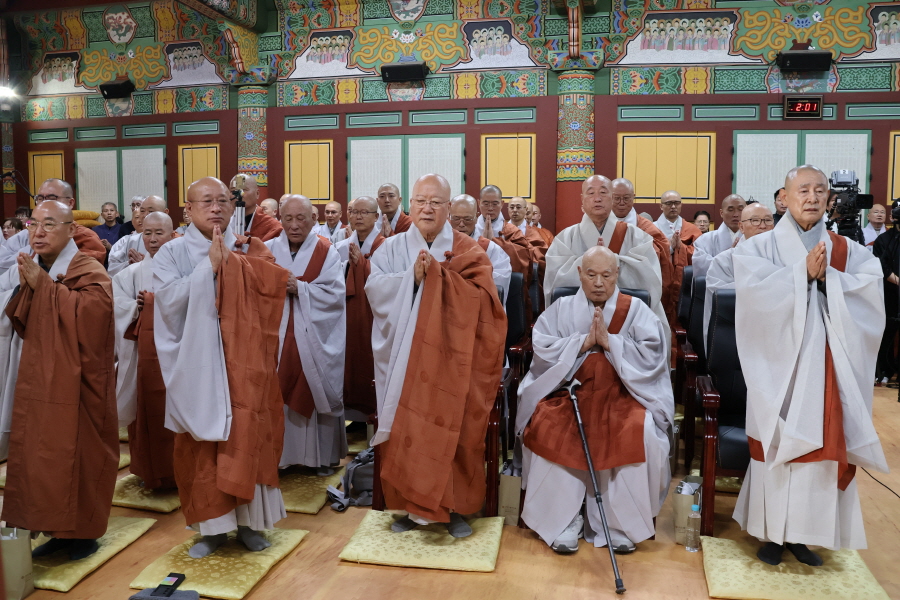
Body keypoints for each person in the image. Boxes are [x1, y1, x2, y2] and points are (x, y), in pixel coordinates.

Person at [732, 165, 888, 566]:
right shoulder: (757, 247)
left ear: (829, 199)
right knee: (778, 443)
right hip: (777, 365)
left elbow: (870, 295)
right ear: (784, 197)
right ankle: (771, 534)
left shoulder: (850, 251)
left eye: (820, 191)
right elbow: (753, 298)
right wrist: (800, 273)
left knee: (820, 446)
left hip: (828, 367)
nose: (813, 197)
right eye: (803, 190)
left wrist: (830, 280)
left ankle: (804, 536)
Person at [154, 177, 289, 559]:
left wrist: (249, 265)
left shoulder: (249, 247)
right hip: (197, 366)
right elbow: (166, 304)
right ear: (188, 210)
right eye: (206, 201)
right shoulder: (172, 253)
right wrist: (208, 270)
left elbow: (271, 298)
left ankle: (249, 524)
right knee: (201, 446)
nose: (215, 208)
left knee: (249, 436)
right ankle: (211, 529)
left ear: (233, 207)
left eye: (222, 201)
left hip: (245, 365)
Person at [366, 174, 506, 537]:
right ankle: (412, 508)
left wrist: (443, 280)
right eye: (421, 201)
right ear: (410, 206)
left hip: (454, 362)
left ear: (448, 208)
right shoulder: (390, 248)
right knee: (406, 430)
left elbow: (487, 303)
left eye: (436, 202)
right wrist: (411, 280)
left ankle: (453, 508)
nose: (427, 208)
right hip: (404, 359)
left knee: (453, 431)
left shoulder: (471, 251)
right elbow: (374, 291)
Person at [518, 246, 673, 554]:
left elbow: (654, 354)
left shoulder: (637, 309)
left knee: (640, 431)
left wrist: (611, 343)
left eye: (606, 275)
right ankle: (564, 521)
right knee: (547, 426)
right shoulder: (561, 308)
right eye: (591, 274)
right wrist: (582, 343)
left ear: (617, 275)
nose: (599, 282)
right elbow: (543, 346)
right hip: (568, 391)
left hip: (623, 393)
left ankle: (618, 524)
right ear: (579, 274)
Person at [0, 200, 117, 561]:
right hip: (42, 379)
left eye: (49, 224)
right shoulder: (35, 265)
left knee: (78, 452)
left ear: (71, 229)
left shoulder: (88, 268)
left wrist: (47, 288)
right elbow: (20, 317)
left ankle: (81, 535)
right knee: (44, 451)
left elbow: (95, 320)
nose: (38, 232)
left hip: (80, 382)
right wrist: (35, 286)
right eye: (34, 224)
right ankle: (52, 527)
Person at [545, 175, 668, 349]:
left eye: (603, 193)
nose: (597, 198)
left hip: (627, 322)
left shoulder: (637, 237)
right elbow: (554, 284)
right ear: (582, 199)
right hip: (576, 325)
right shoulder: (565, 238)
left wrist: (610, 260)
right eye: (591, 193)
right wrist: (594, 260)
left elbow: (651, 281)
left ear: (612, 198)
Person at [113, 212, 177, 490]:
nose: (152, 239)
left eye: (158, 233)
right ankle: (146, 470)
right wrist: (137, 309)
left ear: (172, 234)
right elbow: (116, 308)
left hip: (178, 358)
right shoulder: (130, 274)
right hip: (142, 357)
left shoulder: (185, 270)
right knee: (145, 412)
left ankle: (178, 471)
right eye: (147, 233)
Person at [335, 196, 385, 420]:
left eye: (364, 212)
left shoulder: (387, 246)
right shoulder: (340, 247)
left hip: (376, 316)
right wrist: (350, 266)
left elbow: (391, 281)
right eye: (354, 211)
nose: (358, 216)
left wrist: (364, 266)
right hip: (348, 314)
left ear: (376, 217)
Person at [702, 203, 774, 350]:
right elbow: (724, 300)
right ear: (741, 227)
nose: (762, 226)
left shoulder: (784, 258)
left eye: (767, 220)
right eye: (755, 220)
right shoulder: (724, 260)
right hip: (736, 334)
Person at [0, 179, 106, 274]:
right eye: (40, 198)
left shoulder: (86, 238)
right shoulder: (28, 233)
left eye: (52, 198)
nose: (45, 203)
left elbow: (86, 276)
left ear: (70, 203)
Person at [609, 179, 674, 324]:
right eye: (616, 198)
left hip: (637, 284)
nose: (621, 202)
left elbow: (660, 252)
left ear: (633, 197)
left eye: (626, 198)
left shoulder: (646, 226)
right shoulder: (599, 223)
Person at [474, 186, 533, 312]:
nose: (490, 208)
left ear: (501, 204)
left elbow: (523, 261)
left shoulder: (512, 231)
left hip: (508, 289)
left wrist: (494, 243)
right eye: (486, 203)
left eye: (495, 203)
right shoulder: (470, 229)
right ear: (479, 203)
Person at [449, 194, 512, 301]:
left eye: (467, 219)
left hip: (476, 304)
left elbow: (501, 280)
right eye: (456, 218)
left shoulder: (490, 249)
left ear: (475, 217)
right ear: (449, 217)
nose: (461, 224)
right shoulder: (439, 245)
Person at [655, 190, 702, 325]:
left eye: (677, 203)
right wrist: (669, 248)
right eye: (669, 203)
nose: (673, 207)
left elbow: (699, 255)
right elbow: (649, 254)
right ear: (661, 206)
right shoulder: (653, 228)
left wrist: (681, 247)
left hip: (684, 281)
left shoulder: (692, 229)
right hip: (661, 279)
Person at [872, 202, 900, 385]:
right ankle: (885, 371)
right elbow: (881, 266)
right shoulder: (884, 239)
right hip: (890, 294)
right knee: (887, 334)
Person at [108, 195, 167, 276]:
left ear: (165, 212)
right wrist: (129, 264)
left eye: (150, 211)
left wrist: (146, 265)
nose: (145, 215)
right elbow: (112, 268)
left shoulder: (175, 241)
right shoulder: (130, 241)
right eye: (142, 211)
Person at [691, 194, 746, 276]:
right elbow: (700, 267)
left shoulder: (754, 238)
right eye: (730, 210)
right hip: (717, 286)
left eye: (740, 209)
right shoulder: (704, 240)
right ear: (721, 213)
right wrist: (726, 257)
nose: (736, 214)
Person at [229, 174, 283, 242]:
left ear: (257, 194)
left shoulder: (273, 226)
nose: (238, 194)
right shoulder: (223, 223)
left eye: (243, 190)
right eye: (233, 190)